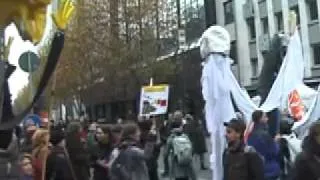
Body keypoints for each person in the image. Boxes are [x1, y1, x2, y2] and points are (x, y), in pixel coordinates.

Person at [247, 110, 281, 180]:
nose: (267, 119)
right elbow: (274, 152)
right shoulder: (265, 136)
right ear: (260, 119)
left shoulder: (250, 135)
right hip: (269, 170)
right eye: (265, 117)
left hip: (255, 171)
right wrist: (276, 142)